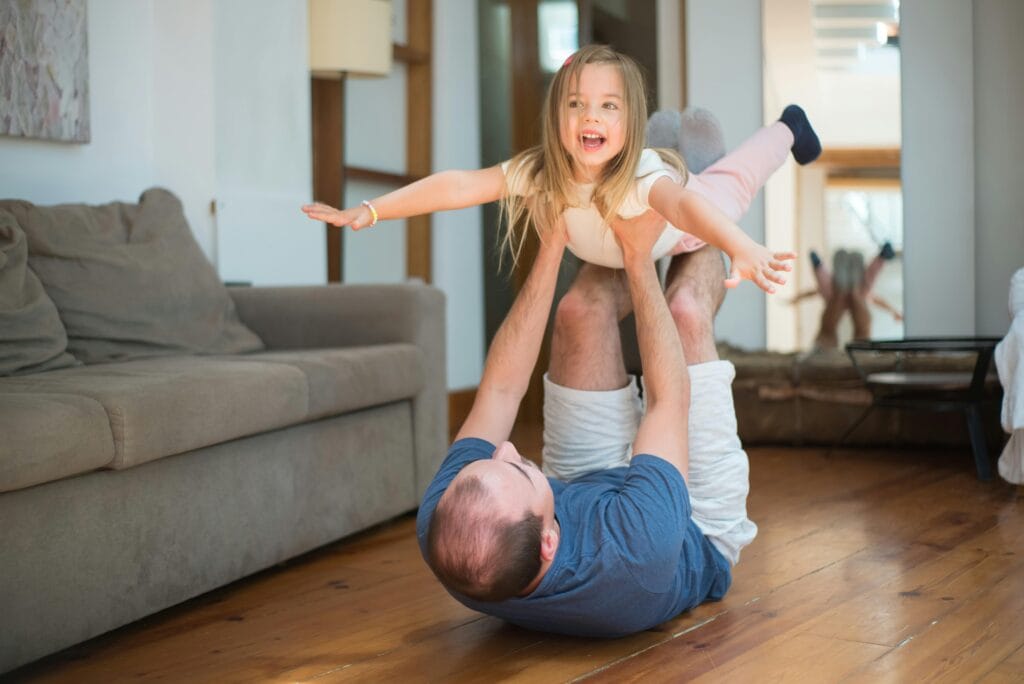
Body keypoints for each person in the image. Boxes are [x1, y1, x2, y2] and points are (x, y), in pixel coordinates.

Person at [416, 204, 775, 636]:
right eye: (524, 469)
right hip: (692, 526)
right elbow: (668, 400)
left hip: (581, 489)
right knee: (683, 313)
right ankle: (705, 196)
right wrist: (641, 260)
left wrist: (549, 246)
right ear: (549, 543)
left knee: (577, 311)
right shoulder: (638, 554)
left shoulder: (448, 528)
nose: (507, 448)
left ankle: (649, 200)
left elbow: (500, 391)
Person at [302, 44, 821, 294]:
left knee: (729, 182)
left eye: (608, 107)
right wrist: (369, 210)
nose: (589, 115)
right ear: (556, 116)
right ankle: (673, 147)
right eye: (576, 104)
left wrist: (742, 247)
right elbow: (460, 184)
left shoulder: (641, 178)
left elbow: (686, 208)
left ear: (626, 119)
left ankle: (788, 127)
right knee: (684, 173)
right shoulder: (540, 170)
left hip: (676, 221)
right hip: (622, 231)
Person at [792, 243, 900, 350]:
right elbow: (879, 300)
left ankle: (821, 268)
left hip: (837, 294)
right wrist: (892, 311)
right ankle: (822, 268)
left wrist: (796, 299)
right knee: (863, 328)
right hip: (855, 293)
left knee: (828, 326)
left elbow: (812, 292)